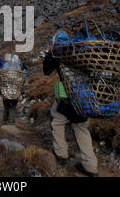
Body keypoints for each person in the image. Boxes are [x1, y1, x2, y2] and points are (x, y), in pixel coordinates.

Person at [43, 36, 99, 177]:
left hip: (69, 98)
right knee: (81, 128)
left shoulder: (61, 54)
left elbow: (46, 70)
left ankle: (61, 154)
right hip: (86, 98)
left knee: (56, 120)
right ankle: (91, 166)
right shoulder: (84, 54)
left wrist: (50, 53)